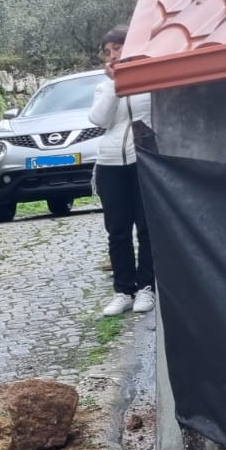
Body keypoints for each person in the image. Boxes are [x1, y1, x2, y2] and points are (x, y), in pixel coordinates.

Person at [90, 25, 155, 316]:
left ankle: (146, 288)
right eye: (108, 51)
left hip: (142, 160)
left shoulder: (150, 79)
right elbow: (99, 120)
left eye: (118, 48)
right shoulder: (105, 86)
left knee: (146, 227)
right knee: (117, 231)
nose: (113, 55)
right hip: (110, 164)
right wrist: (115, 87)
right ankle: (123, 290)